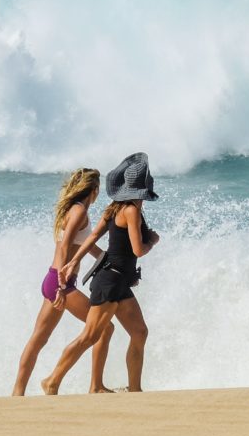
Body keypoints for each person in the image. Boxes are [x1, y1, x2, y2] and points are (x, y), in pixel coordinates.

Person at [41, 152, 160, 395]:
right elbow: (138, 249)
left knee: (139, 332)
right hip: (111, 281)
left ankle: (135, 389)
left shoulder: (114, 208)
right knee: (89, 336)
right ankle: (52, 380)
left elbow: (93, 237)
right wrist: (153, 241)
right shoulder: (132, 211)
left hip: (117, 280)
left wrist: (74, 260)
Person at [11, 168, 115, 395]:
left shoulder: (73, 210)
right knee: (105, 328)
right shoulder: (78, 211)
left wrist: (113, 262)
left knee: (38, 339)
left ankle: (17, 394)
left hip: (54, 279)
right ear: (94, 190)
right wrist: (60, 285)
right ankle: (92, 386)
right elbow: (66, 246)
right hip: (61, 283)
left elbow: (86, 247)